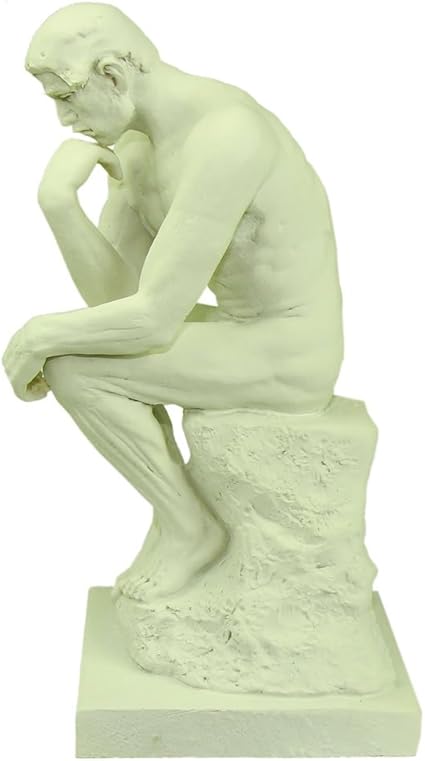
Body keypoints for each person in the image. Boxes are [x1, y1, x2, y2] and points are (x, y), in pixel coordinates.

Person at [3, 3, 344, 601]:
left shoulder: (228, 135)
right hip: (239, 331)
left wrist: (37, 336)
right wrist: (58, 204)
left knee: (73, 366)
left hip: (291, 348)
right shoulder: (138, 148)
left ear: (112, 75)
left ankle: (191, 529)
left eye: (67, 98)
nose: (63, 119)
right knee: (79, 353)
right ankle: (184, 522)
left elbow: (154, 320)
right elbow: (117, 302)